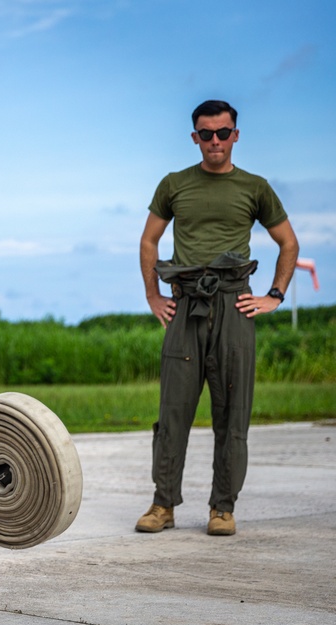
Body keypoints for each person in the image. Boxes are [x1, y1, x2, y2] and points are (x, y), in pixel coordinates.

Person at [136, 100, 299, 537]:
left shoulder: (255, 187)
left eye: (222, 133)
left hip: (234, 305)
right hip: (186, 306)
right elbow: (149, 239)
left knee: (233, 414)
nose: (214, 141)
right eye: (205, 134)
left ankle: (222, 508)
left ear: (235, 136)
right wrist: (153, 295)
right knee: (173, 412)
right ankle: (162, 504)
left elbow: (288, 243)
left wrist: (274, 296)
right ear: (194, 138)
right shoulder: (174, 184)